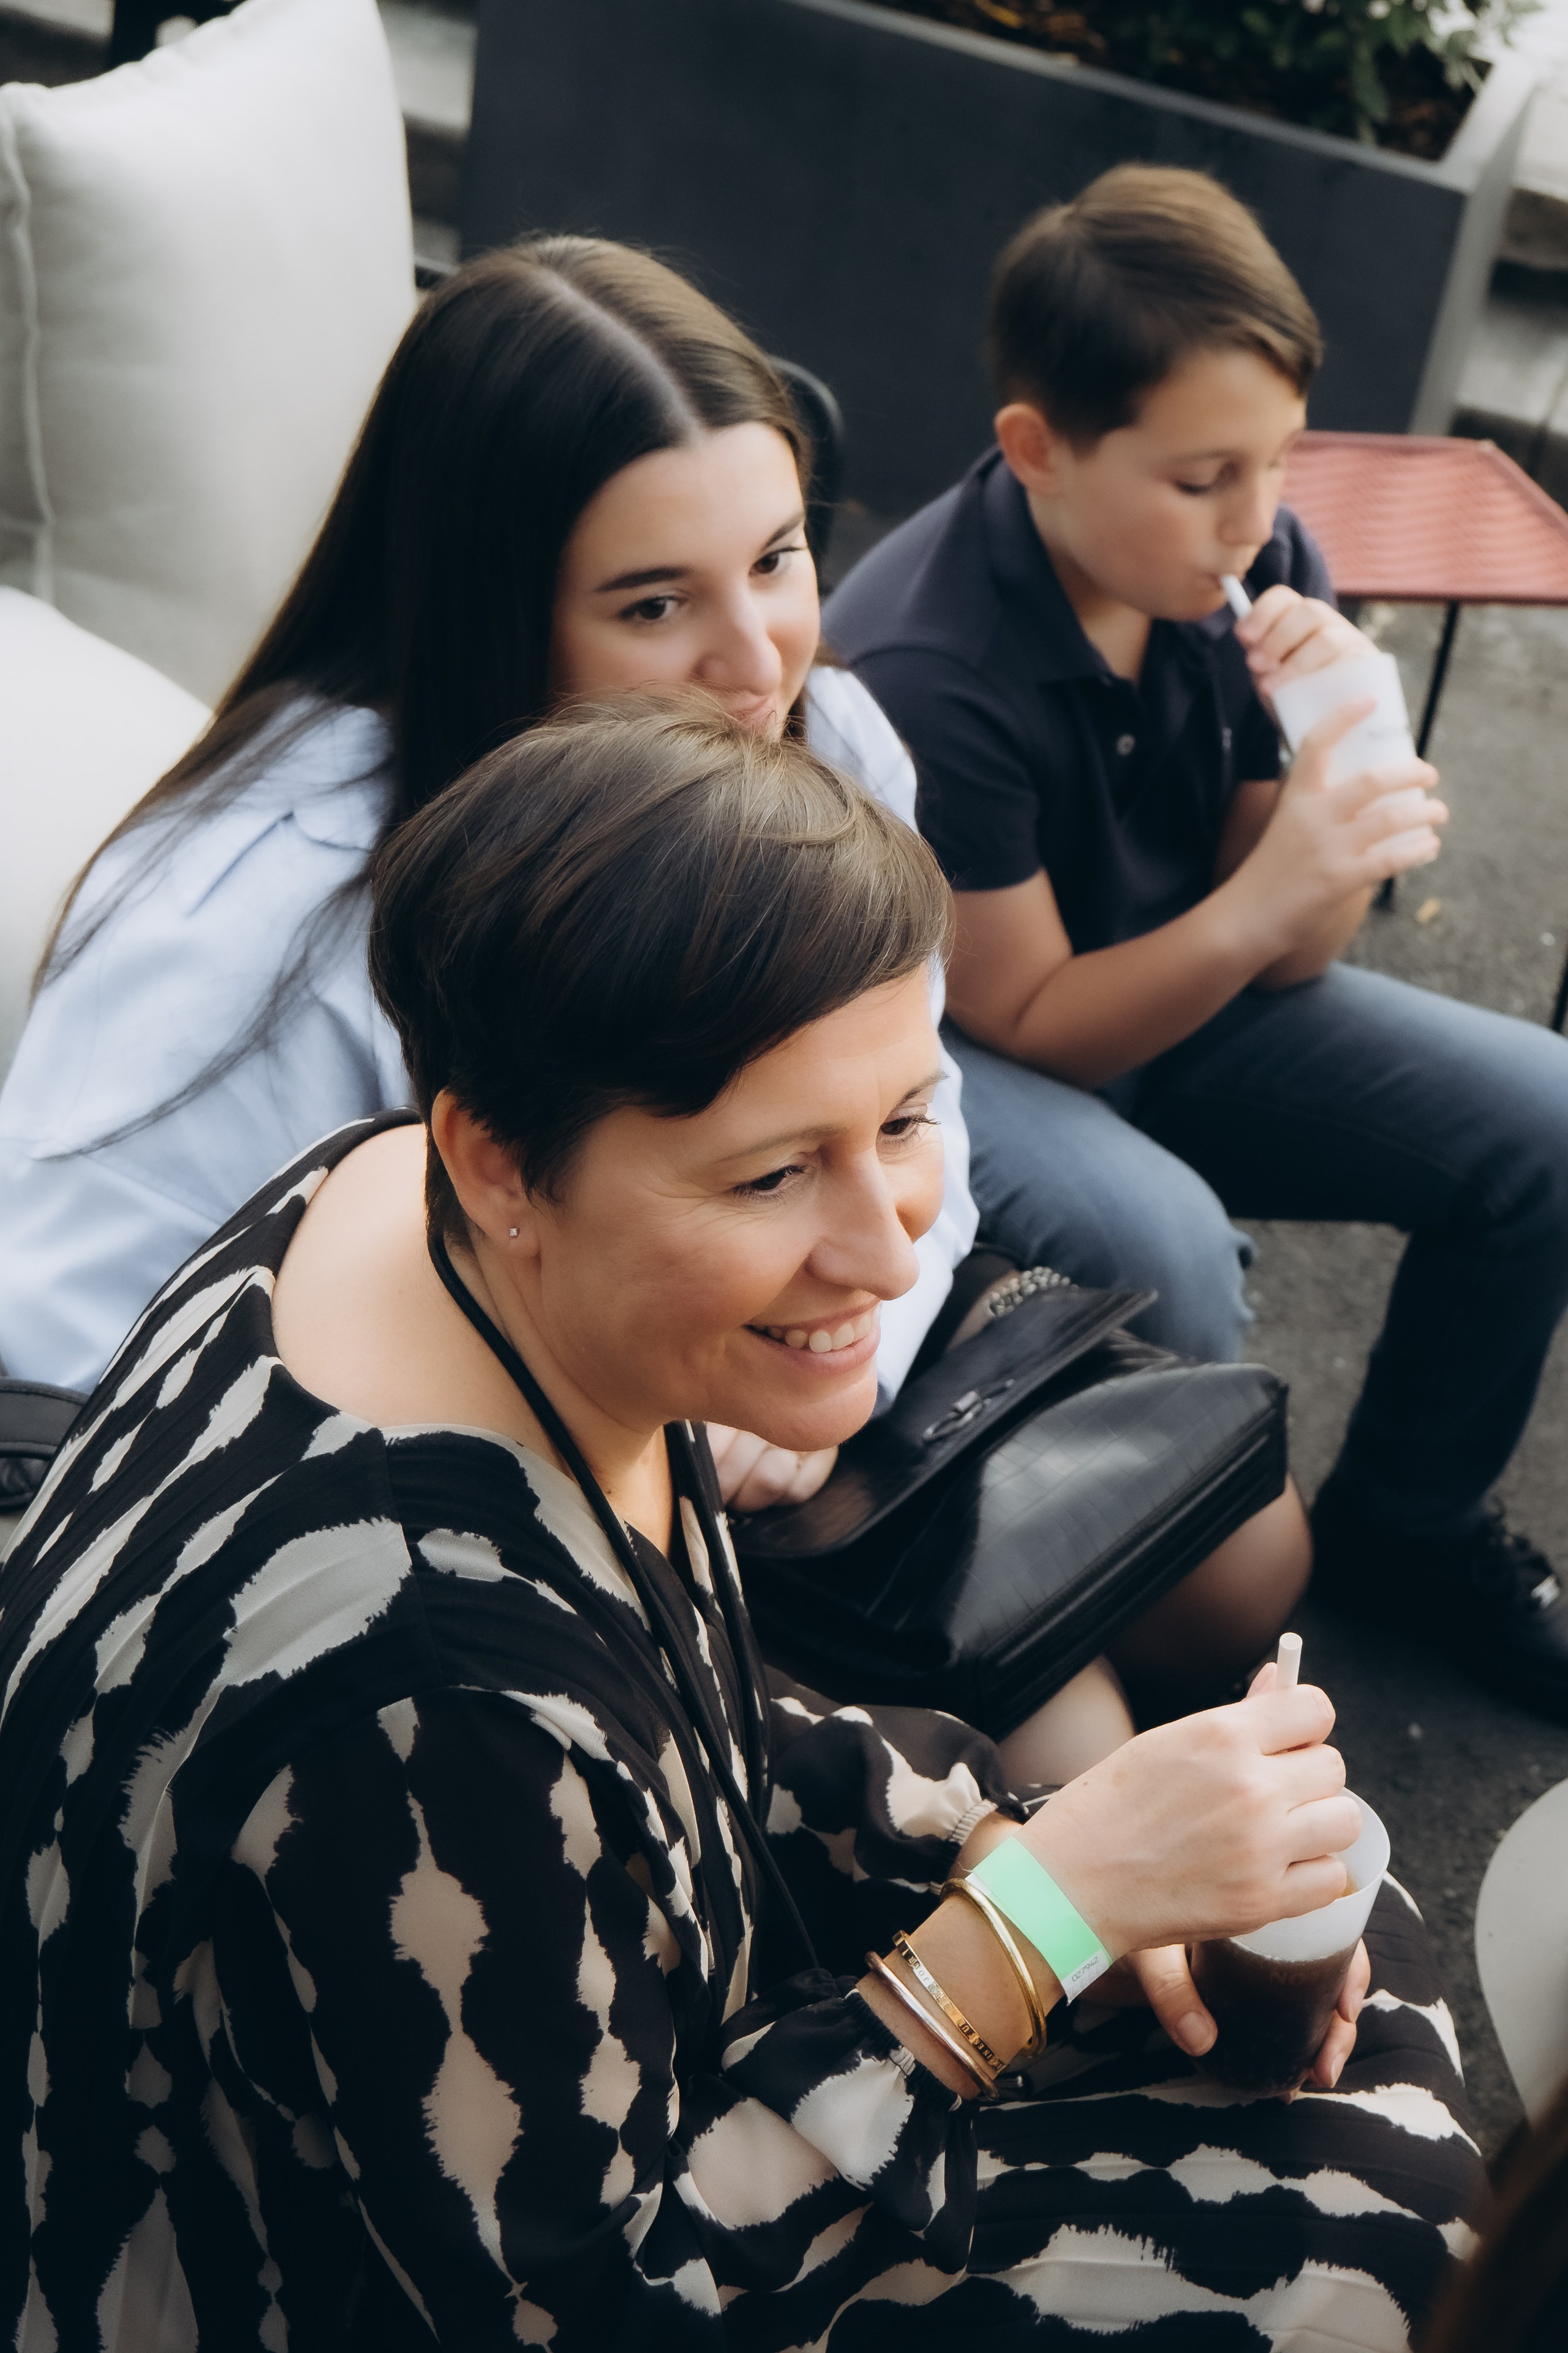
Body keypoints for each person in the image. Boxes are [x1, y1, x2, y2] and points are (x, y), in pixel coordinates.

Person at [0, 703, 1482, 2348]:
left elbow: (664, 1726)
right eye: (775, 1174)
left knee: (1312, 1936)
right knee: (1371, 2216)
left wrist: (1022, 1857)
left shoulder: (389, 1200)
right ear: (500, 1163)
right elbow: (593, 2301)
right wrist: (1050, 1913)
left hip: (548, 2008)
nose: (889, 1249)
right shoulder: (414, 1681)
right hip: (310, 2277)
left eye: (908, 1121)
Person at [0, 234, 974, 1508]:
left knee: (1224, 1559)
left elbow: (924, 1111)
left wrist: (835, 1358)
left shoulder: (826, 744)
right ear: (491, 610)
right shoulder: (272, 910)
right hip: (385, 1516)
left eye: (777, 560)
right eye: (652, 606)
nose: (756, 666)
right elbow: (65, 1372)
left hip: (730, 1402)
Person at [824, 164, 1568, 1721]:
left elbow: (1287, 955)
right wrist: (1266, 892)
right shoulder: (925, 662)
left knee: (1543, 1123)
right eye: (1201, 478)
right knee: (1160, 1241)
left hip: (1192, 986)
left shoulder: (1263, 563)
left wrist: (1332, 755)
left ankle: (1404, 1527)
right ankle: (1154, 1616)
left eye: (1277, 463)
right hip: (974, 1042)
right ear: (1034, 450)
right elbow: (1032, 1015)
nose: (1257, 520)